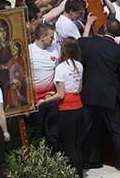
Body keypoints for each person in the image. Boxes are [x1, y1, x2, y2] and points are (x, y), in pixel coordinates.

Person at [79, 18, 120, 175]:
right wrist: (118, 96)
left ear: (104, 28)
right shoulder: (119, 51)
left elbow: (79, 42)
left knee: (85, 129)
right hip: (109, 96)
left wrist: (87, 25)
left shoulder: (88, 44)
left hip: (89, 94)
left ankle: (80, 160)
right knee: (116, 131)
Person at [38, 37, 84, 177]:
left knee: (68, 144)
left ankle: (73, 173)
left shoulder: (61, 68)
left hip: (67, 109)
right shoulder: (79, 65)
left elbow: (61, 95)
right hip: (78, 106)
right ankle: (80, 172)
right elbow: (79, 88)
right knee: (76, 144)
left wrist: (44, 101)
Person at [29, 23, 60, 153]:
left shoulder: (55, 49)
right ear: (42, 37)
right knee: (37, 132)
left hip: (51, 98)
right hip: (35, 100)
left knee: (53, 133)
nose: (53, 40)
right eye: (51, 37)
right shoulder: (29, 51)